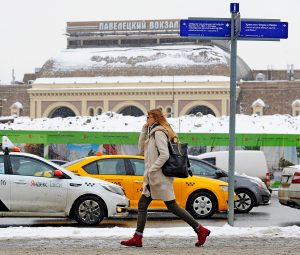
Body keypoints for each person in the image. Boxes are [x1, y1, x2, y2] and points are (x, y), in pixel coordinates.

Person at [120, 108, 210, 248]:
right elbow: (141, 151)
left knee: (172, 206)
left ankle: (200, 230)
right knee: (143, 205)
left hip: (159, 178)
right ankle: (137, 237)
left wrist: (152, 169)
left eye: (148, 117)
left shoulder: (159, 133)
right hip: (153, 179)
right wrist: (144, 131)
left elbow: (164, 155)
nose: (146, 120)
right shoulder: (152, 134)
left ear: (155, 118)